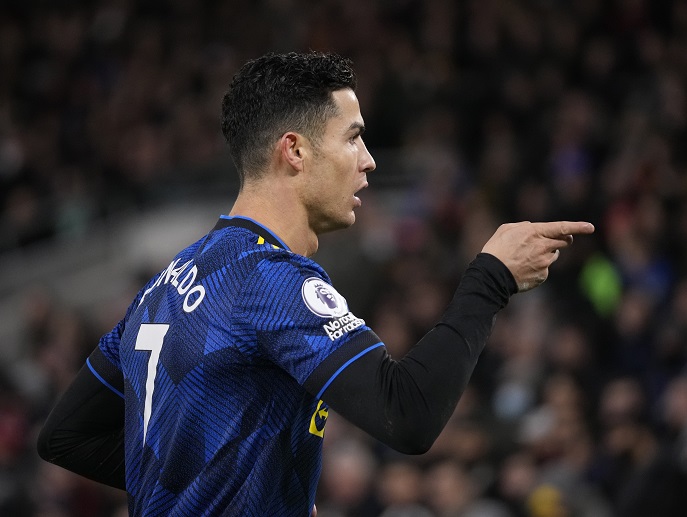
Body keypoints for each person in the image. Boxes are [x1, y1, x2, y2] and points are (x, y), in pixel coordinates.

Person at [36, 51, 594, 516]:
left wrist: (234, 493)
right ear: (295, 151)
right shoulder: (270, 282)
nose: (369, 161)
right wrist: (490, 278)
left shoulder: (169, 279)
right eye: (353, 138)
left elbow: (65, 436)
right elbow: (407, 415)